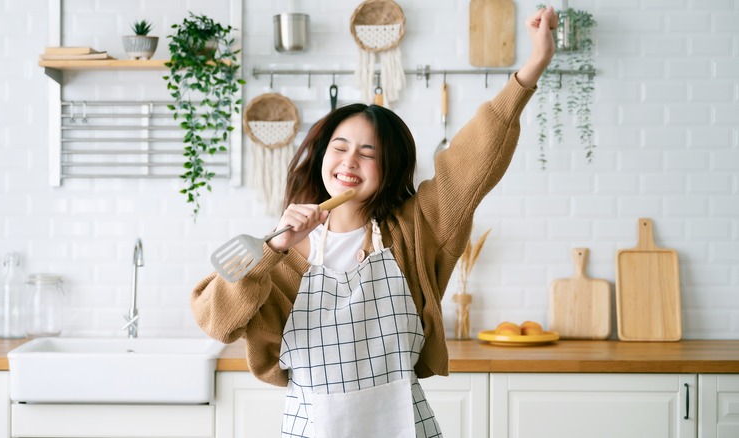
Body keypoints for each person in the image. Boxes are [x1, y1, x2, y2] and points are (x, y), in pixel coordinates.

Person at [192, 6, 558, 437]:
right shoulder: (278, 255)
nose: (349, 162)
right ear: (321, 155)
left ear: (390, 168)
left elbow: (472, 160)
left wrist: (533, 66)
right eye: (339, 147)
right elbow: (214, 320)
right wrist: (272, 248)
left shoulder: (419, 228)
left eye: (368, 153)